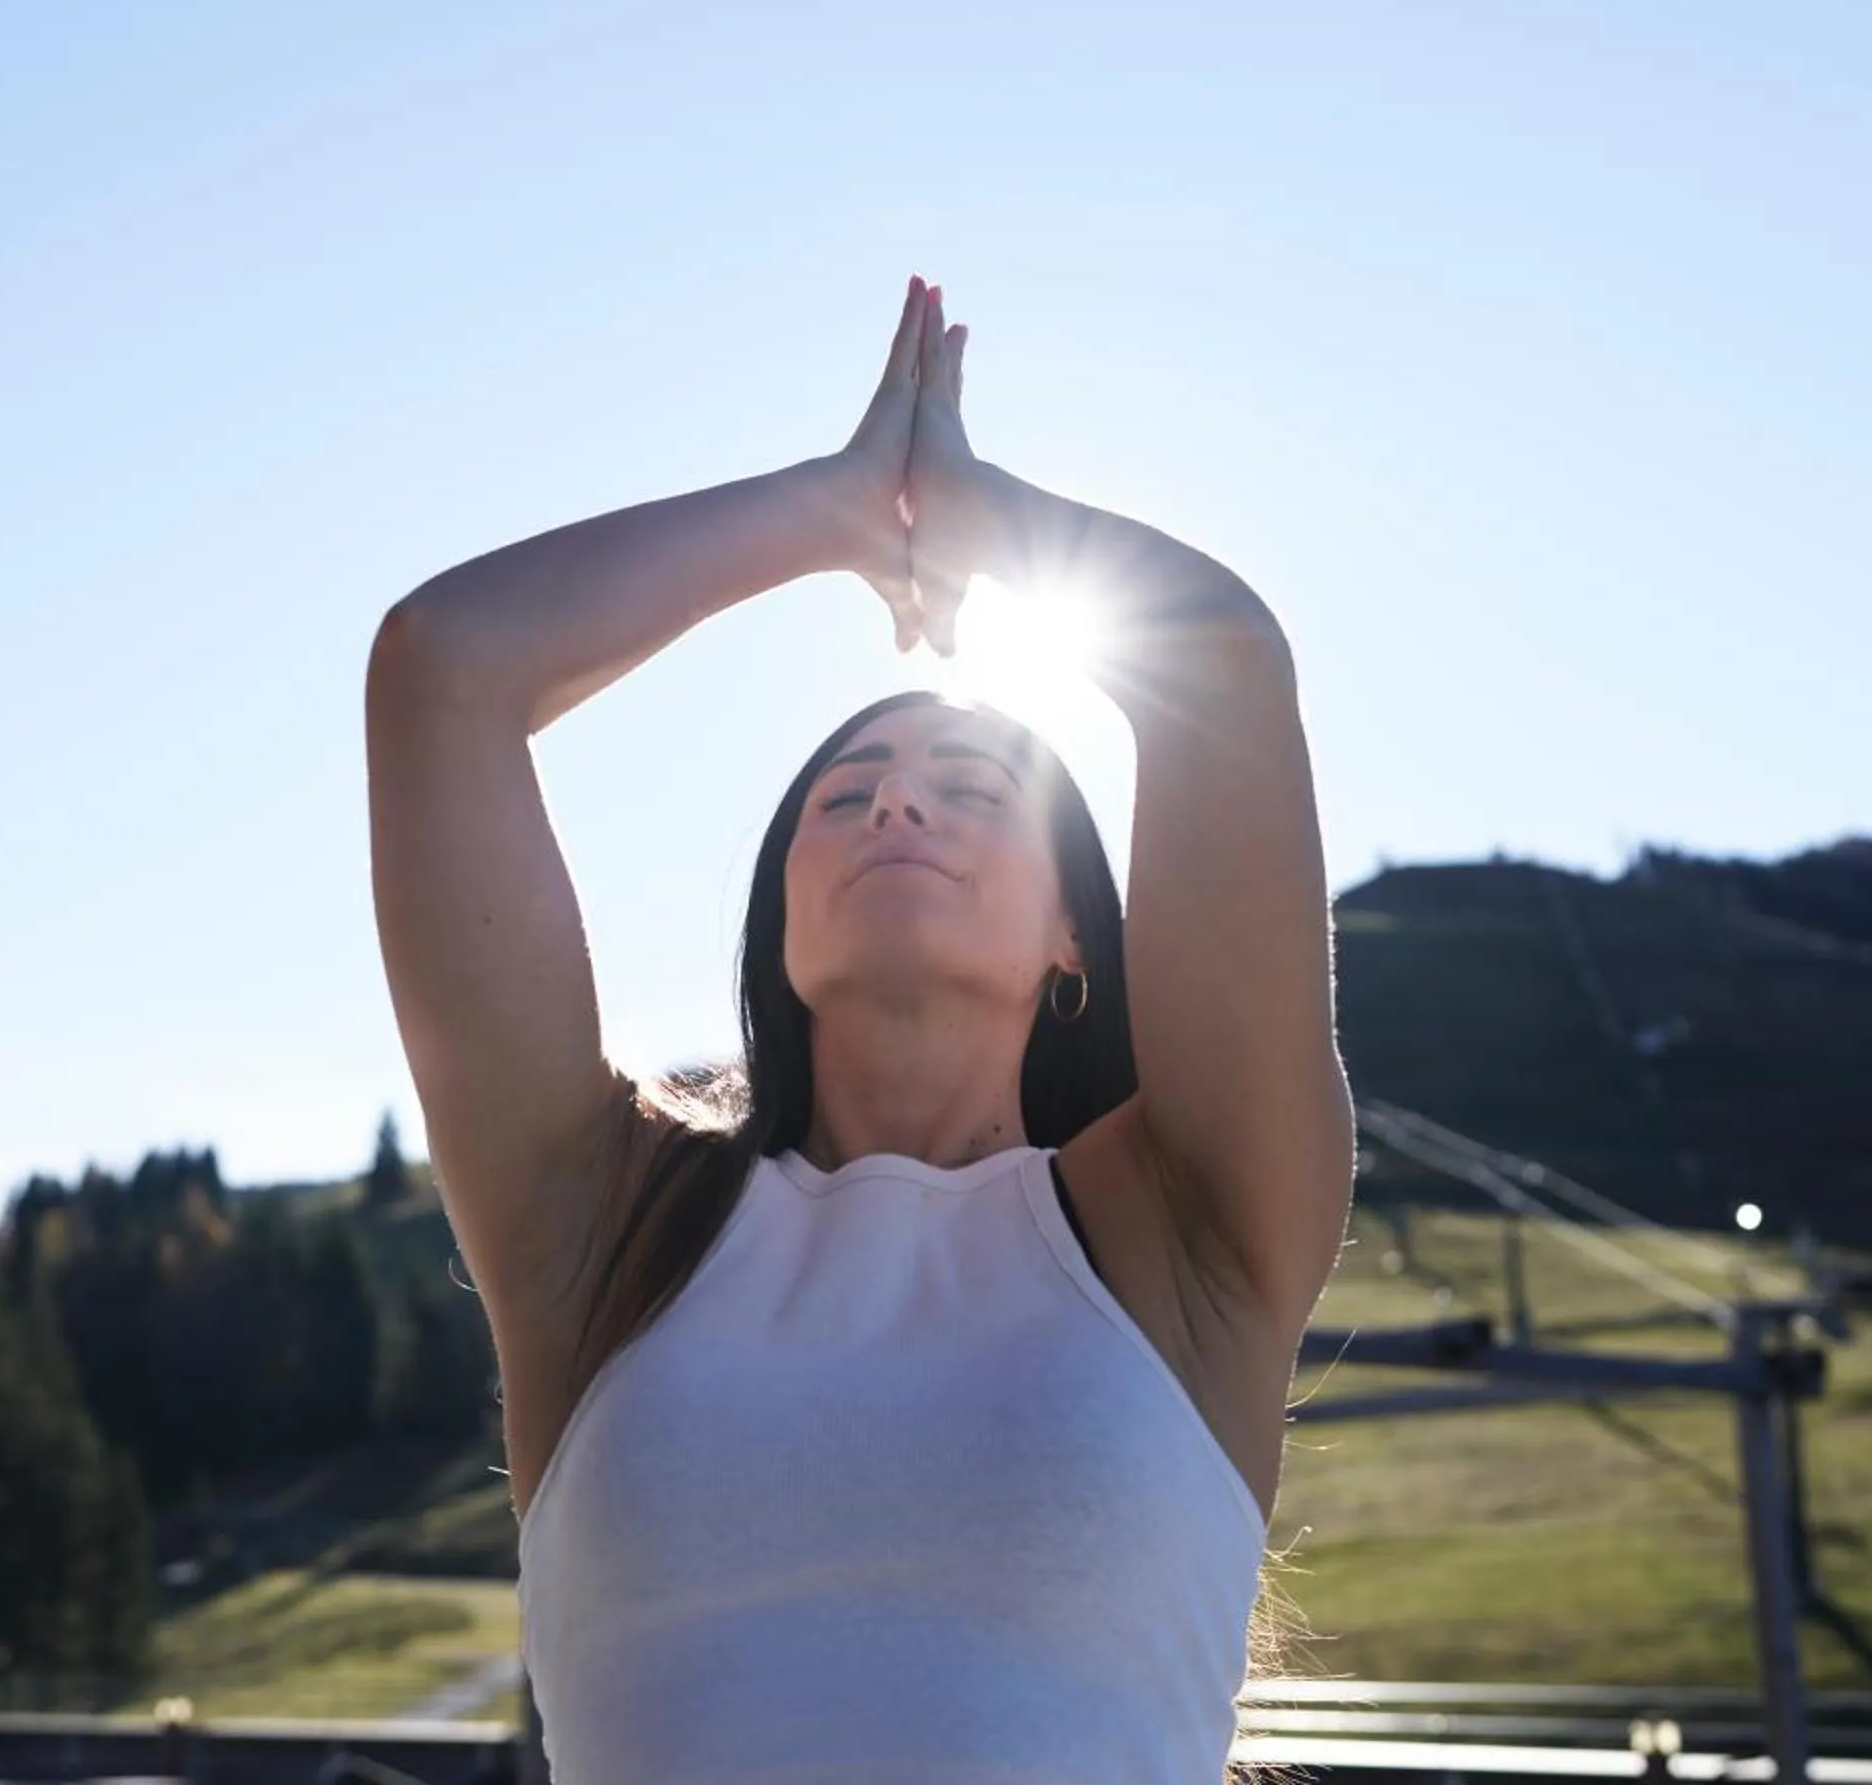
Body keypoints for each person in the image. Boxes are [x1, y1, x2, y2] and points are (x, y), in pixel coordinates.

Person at [365, 275, 1355, 1782]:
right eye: (845, 795)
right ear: (782, 923)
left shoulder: (1184, 1231)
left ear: (1075, 934)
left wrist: (979, 516)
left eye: (972, 788)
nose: (897, 800)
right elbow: (443, 668)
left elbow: (1219, 657)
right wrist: (830, 514)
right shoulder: (610, 1226)